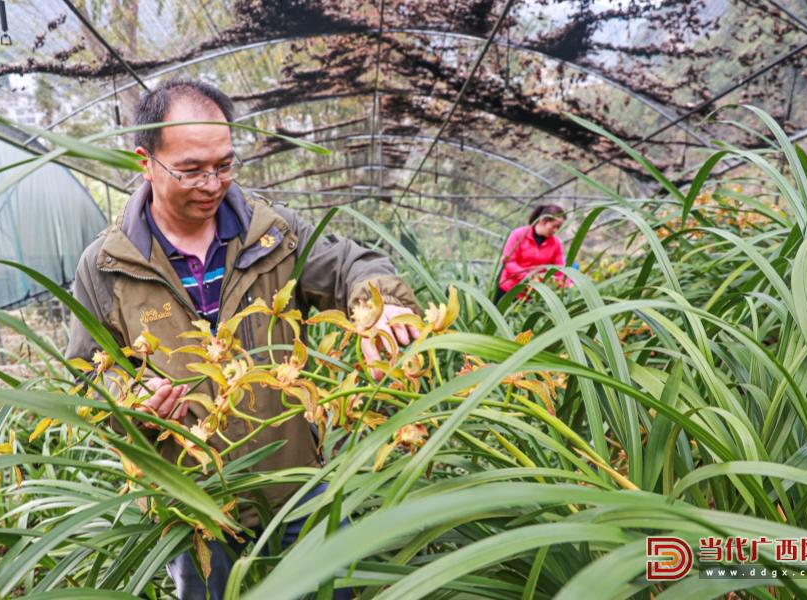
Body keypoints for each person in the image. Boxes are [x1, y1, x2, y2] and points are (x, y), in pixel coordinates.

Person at [66, 77, 420, 599]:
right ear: (147, 160)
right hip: (194, 495)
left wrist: (380, 304)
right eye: (190, 170)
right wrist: (131, 399)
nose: (212, 183)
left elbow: (352, 265)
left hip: (294, 476)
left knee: (333, 589)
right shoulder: (105, 267)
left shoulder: (273, 233)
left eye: (225, 165)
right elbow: (87, 371)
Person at [495, 204, 567, 303]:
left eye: (558, 227)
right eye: (555, 226)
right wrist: (528, 277)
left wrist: (565, 284)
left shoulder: (555, 244)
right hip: (507, 290)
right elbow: (509, 262)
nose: (556, 230)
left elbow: (559, 270)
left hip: (530, 296)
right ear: (543, 221)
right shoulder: (519, 234)